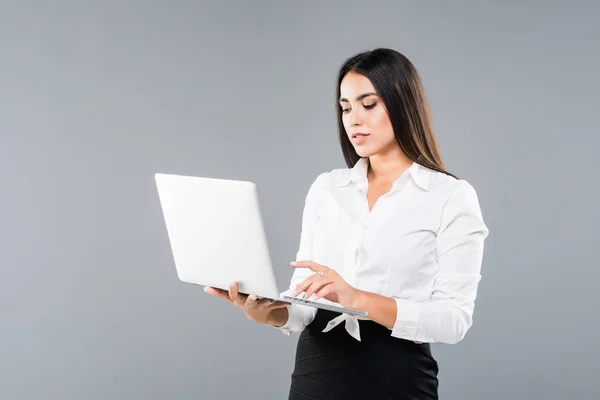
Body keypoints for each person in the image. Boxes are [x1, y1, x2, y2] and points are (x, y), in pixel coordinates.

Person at [205, 47, 489, 399]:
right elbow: (303, 303)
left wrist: (357, 298)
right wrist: (269, 314)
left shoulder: (449, 196)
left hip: (396, 377)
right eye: (346, 107)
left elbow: (453, 320)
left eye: (368, 104)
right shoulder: (327, 189)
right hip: (317, 374)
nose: (354, 119)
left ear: (402, 103)